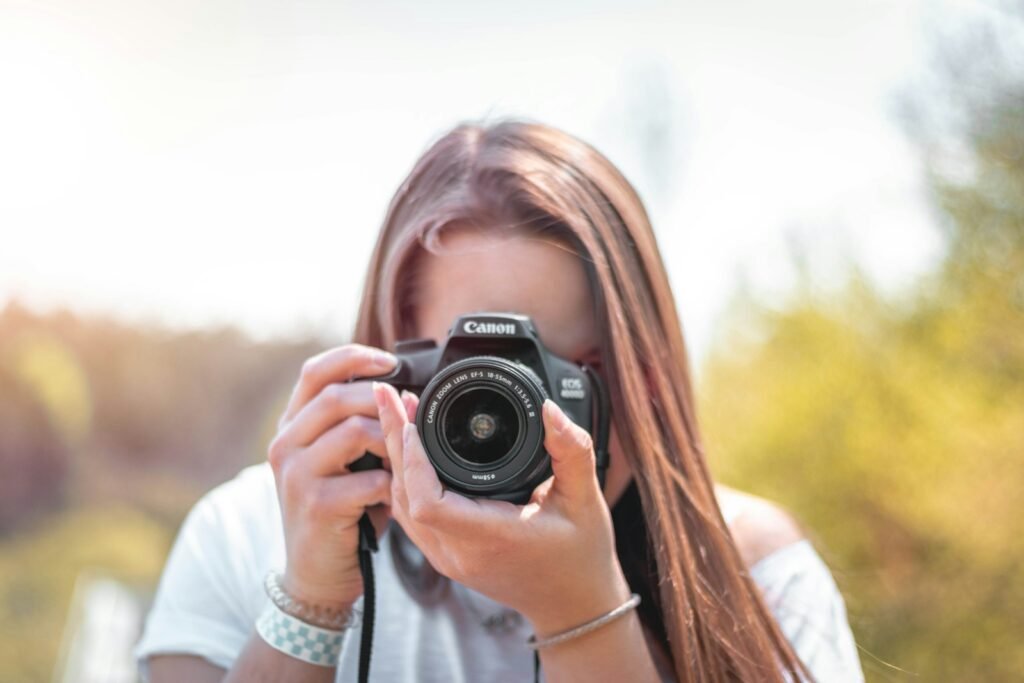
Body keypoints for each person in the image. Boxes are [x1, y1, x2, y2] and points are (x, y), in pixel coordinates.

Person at [134, 120, 865, 682]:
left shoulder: (751, 575)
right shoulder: (246, 536)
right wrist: (311, 603)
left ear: (644, 376)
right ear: (395, 375)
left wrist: (584, 614)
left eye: (559, 370)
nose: (505, 414)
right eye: (474, 372)